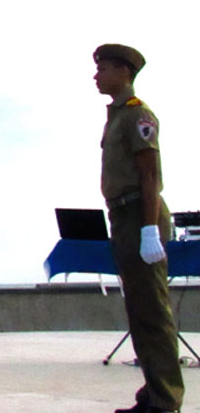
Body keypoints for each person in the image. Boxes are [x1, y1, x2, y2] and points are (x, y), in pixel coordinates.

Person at [93, 44, 184, 413]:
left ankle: (166, 401)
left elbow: (150, 174)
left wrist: (149, 229)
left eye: (103, 69)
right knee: (139, 312)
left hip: (139, 214)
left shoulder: (137, 114)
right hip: (122, 216)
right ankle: (153, 392)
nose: (96, 75)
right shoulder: (115, 116)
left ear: (123, 72)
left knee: (153, 312)